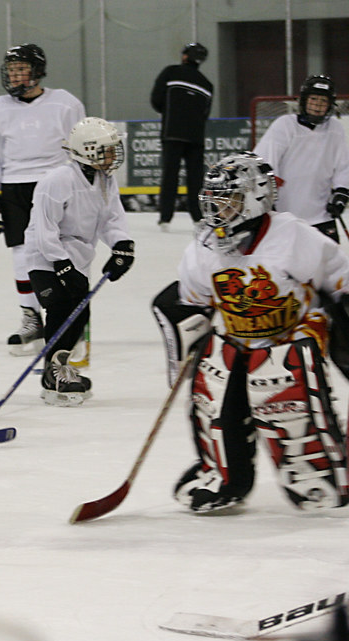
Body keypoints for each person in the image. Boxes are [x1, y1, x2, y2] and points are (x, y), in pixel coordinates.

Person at [154, 152, 349, 513]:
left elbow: (338, 281)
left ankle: (314, 470)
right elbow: (194, 300)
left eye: (229, 198)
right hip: (236, 335)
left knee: (276, 373)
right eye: (214, 199)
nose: (218, 208)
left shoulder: (294, 236)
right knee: (213, 381)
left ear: (257, 197)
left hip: (291, 336)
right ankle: (223, 473)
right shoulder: (205, 246)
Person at [0, 43, 86, 355]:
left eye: (20, 69)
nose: (13, 76)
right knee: (22, 253)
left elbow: (79, 146)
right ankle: (31, 317)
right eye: (10, 71)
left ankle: (69, 319)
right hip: (14, 187)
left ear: (37, 71)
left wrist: (80, 185)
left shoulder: (65, 103)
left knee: (61, 252)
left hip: (55, 184)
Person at [24, 117, 134, 406]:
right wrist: (60, 263)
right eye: (106, 150)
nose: (112, 156)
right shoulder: (57, 180)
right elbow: (44, 228)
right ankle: (54, 373)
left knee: (80, 314)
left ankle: (60, 365)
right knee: (60, 307)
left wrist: (121, 244)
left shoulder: (104, 180)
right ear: (87, 150)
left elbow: (111, 219)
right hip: (44, 257)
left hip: (78, 259)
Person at [253, 75, 349, 242]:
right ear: (303, 101)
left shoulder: (336, 129)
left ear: (330, 105)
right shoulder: (285, 125)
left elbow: (344, 166)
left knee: (328, 266)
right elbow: (264, 161)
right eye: (313, 99)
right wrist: (267, 197)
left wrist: (341, 192)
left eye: (323, 101)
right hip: (284, 215)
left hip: (321, 216)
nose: (317, 105)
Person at [150, 42, 213, 231]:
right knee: (196, 179)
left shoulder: (170, 72)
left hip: (172, 132)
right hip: (196, 136)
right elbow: (205, 113)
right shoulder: (207, 84)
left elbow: (156, 99)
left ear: (185, 56)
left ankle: (165, 218)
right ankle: (198, 217)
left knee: (170, 176)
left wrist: (172, 113)